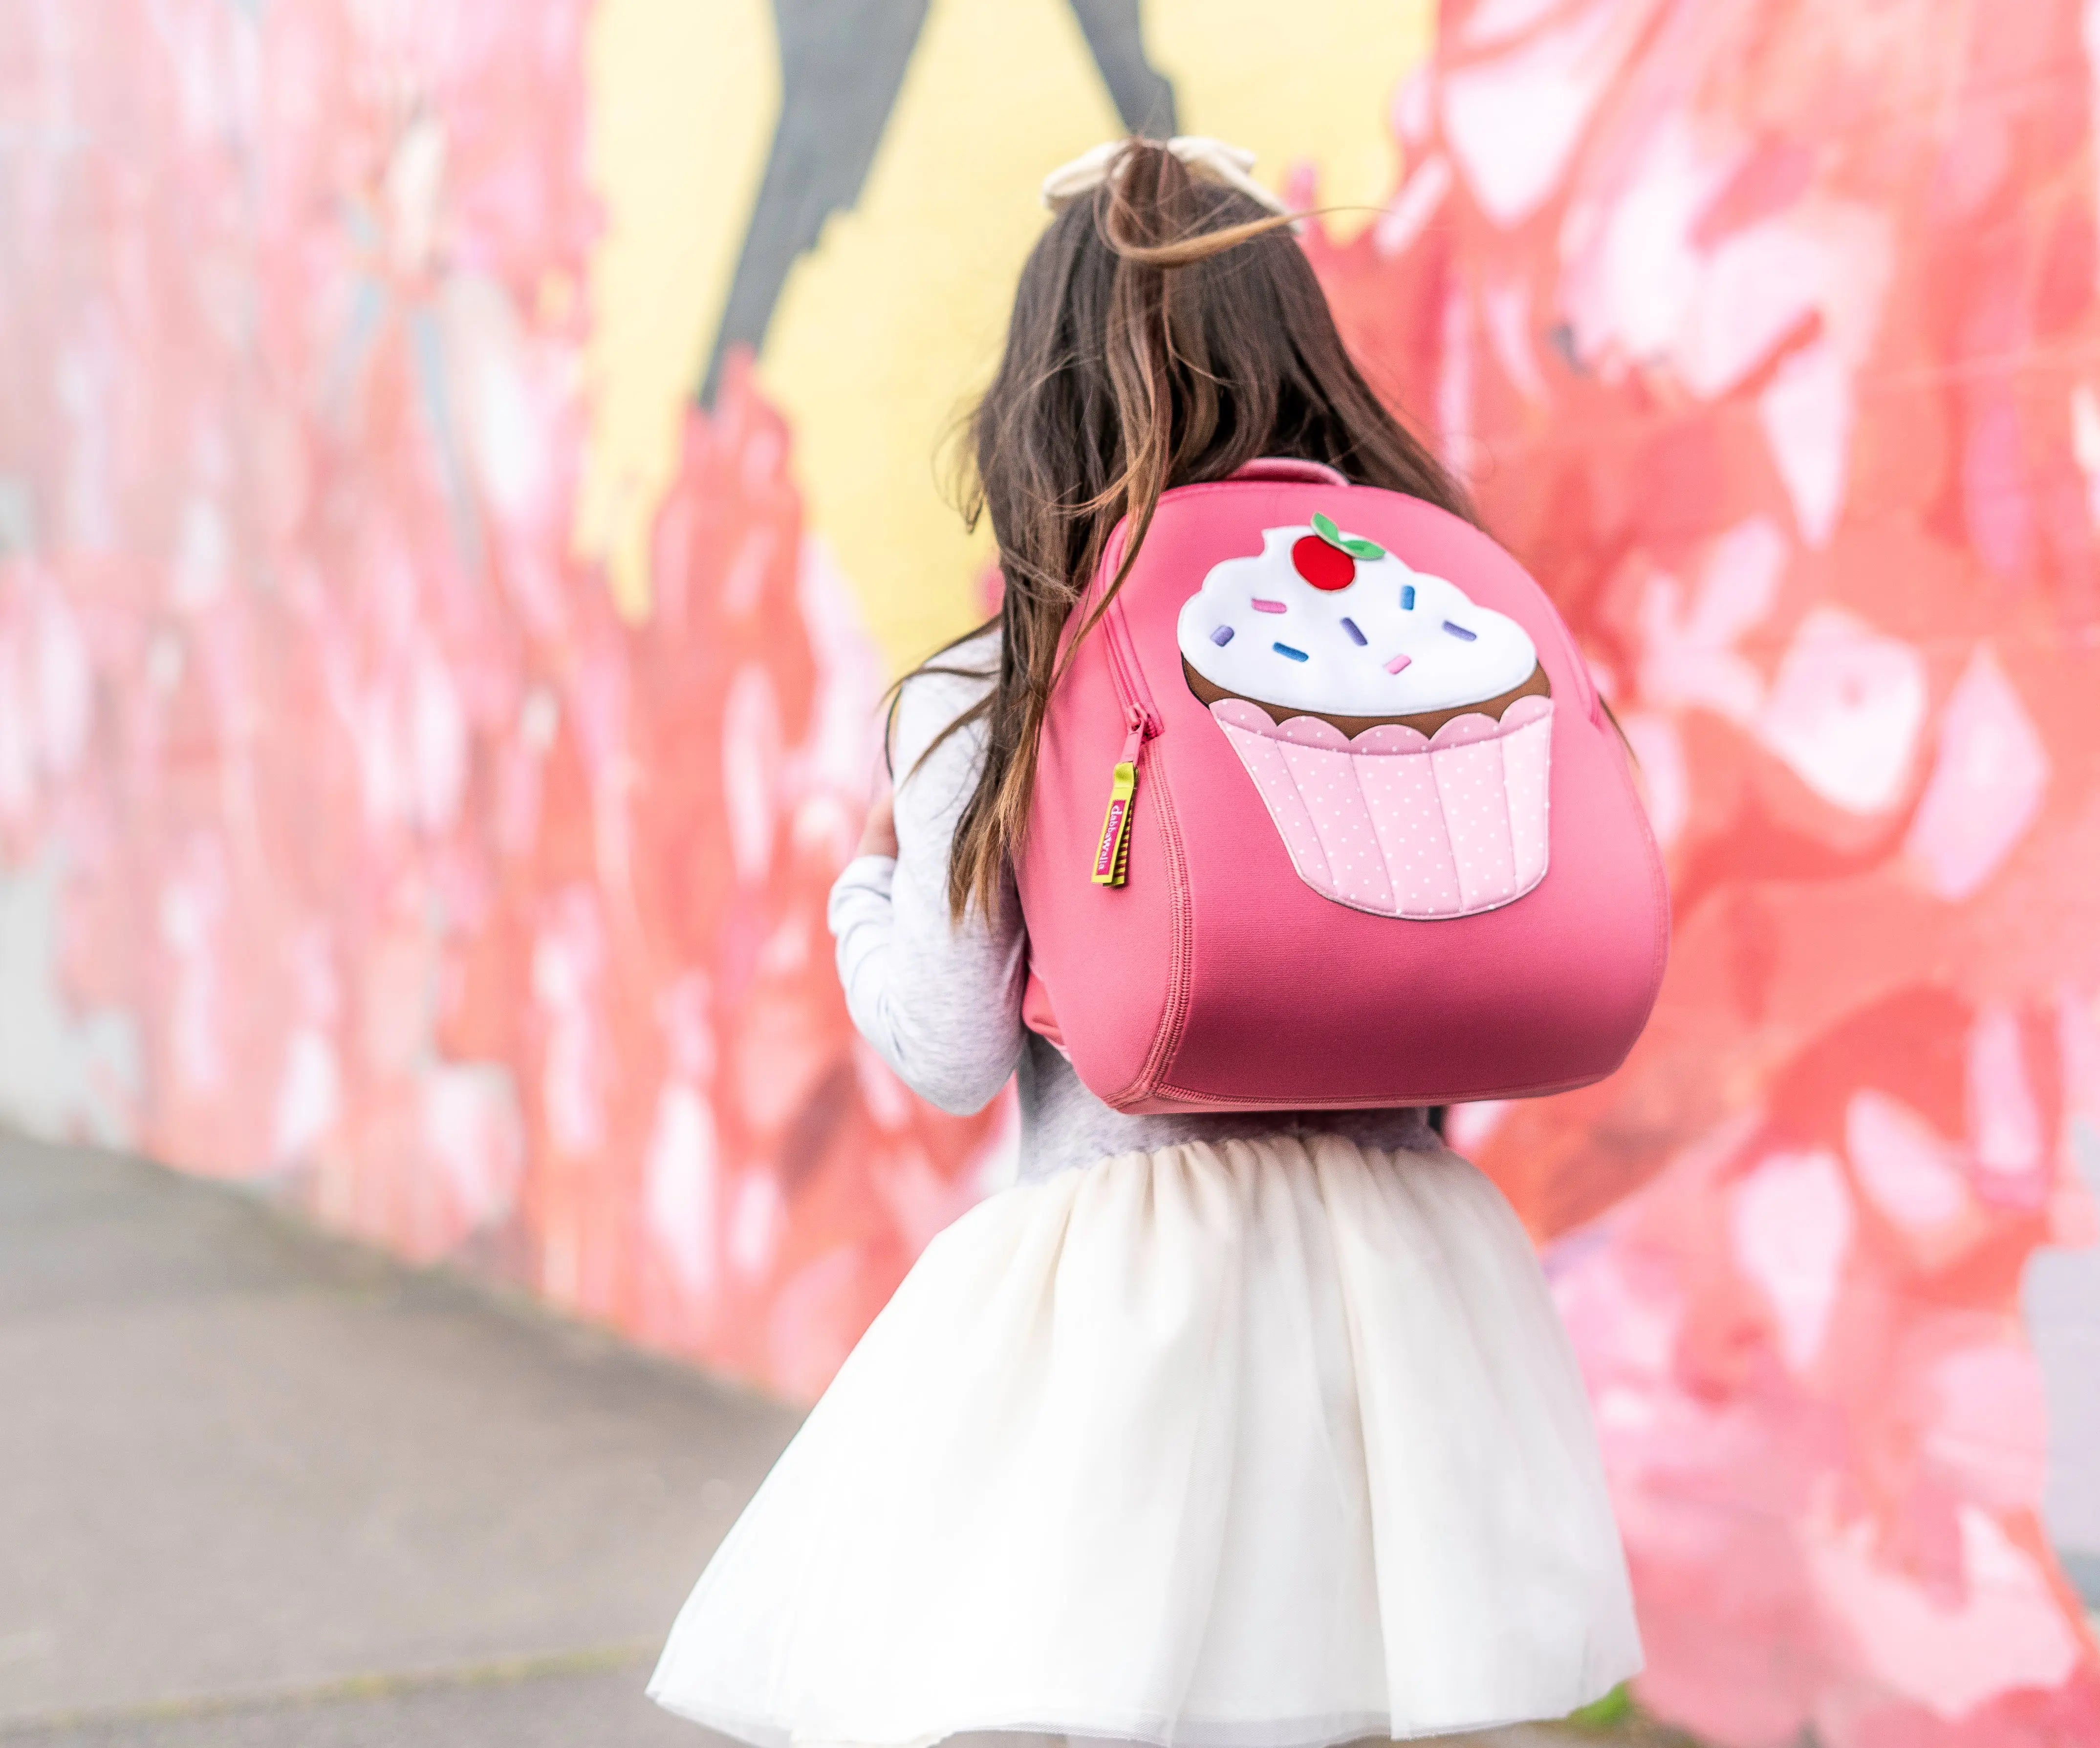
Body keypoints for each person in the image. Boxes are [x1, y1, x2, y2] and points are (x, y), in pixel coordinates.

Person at [649, 136, 1641, 1748]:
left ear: (1043, 390)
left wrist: (864, 885)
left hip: (1135, 1292)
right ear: (1306, 360)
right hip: (1406, 1281)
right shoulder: (1432, 630)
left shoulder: (999, 682)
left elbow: (953, 1043)